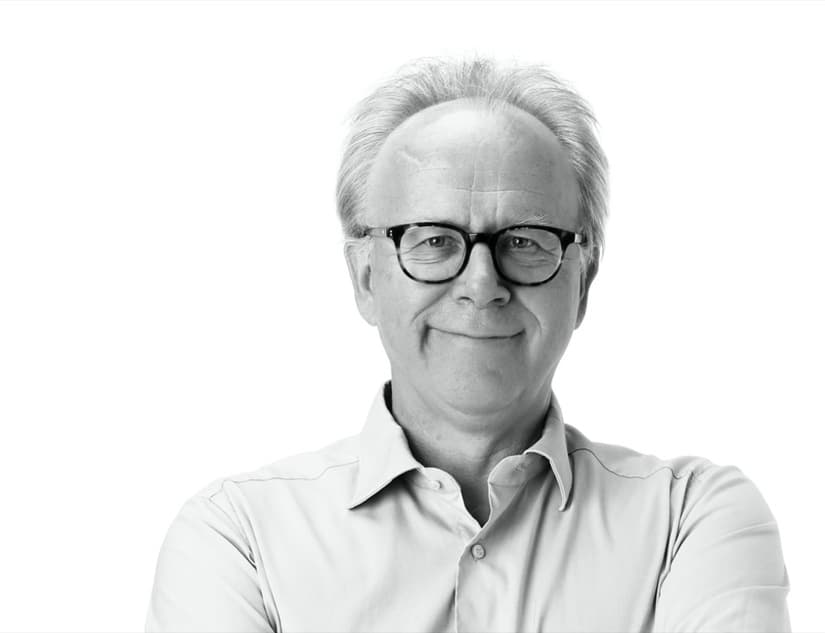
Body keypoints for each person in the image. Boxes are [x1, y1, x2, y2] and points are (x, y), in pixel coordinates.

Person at [145, 57, 791, 632]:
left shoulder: (691, 520)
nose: (481, 285)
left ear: (583, 282)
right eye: (433, 240)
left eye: (525, 241)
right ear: (366, 277)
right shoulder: (237, 539)